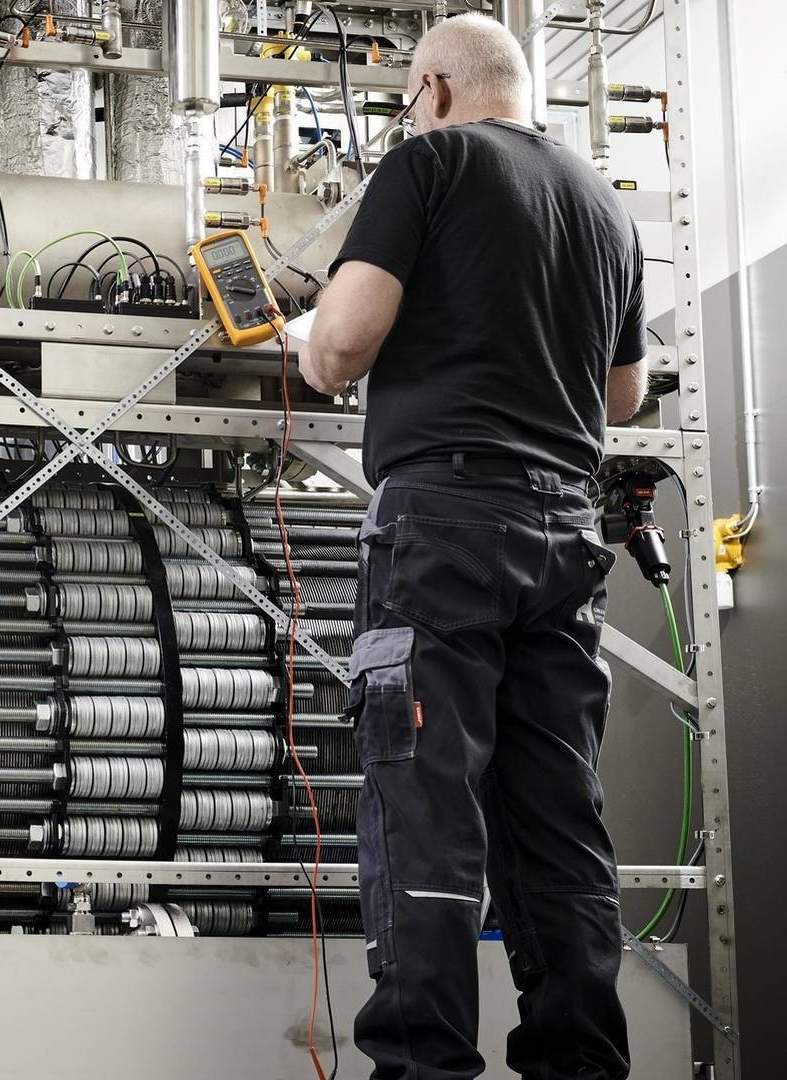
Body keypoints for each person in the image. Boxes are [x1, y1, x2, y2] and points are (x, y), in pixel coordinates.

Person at [299, 14, 644, 1080]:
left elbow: (343, 345)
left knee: (426, 804)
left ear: (436, 89)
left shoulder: (429, 162)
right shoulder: (602, 204)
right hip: (564, 534)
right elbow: (623, 394)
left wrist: (309, 346)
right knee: (556, 823)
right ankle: (581, 1063)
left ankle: (424, 1068)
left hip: (443, 525)